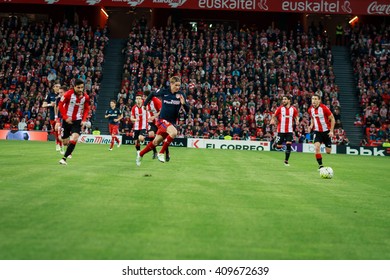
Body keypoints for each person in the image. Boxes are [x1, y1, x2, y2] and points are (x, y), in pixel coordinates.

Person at [136, 76, 189, 166]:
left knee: (155, 142)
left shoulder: (180, 95)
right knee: (174, 132)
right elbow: (152, 94)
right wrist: (145, 104)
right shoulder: (164, 92)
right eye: (176, 85)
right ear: (171, 84)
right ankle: (161, 153)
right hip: (162, 120)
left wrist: (184, 104)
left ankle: (140, 154)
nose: (178, 87)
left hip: (171, 122)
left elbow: (187, 110)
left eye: (179, 85)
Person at [58, 79, 91, 165]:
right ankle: (69, 145)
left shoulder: (86, 97)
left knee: (75, 138)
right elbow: (60, 105)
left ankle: (64, 159)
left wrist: (84, 119)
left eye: (82, 88)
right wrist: (65, 117)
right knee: (65, 142)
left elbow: (87, 108)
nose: (80, 90)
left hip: (77, 120)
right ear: (74, 87)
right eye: (78, 87)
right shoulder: (68, 94)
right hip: (66, 120)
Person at [308, 93, 335, 170]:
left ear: (319, 100)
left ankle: (327, 146)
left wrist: (331, 131)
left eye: (316, 99)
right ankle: (320, 166)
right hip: (317, 132)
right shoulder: (310, 109)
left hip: (326, 132)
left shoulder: (324, 108)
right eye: (313, 99)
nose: (314, 101)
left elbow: (332, 119)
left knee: (328, 151)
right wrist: (311, 125)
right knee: (316, 148)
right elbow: (312, 118)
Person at [270, 95, 299, 166]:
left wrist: (297, 120)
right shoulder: (280, 108)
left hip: (289, 130)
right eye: (283, 99)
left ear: (289, 100)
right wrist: (272, 120)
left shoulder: (293, 109)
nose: (283, 101)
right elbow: (274, 115)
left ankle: (286, 161)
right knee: (278, 147)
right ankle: (275, 142)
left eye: (285, 99)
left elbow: (296, 116)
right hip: (281, 130)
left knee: (288, 145)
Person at [143, 90, 170, 160]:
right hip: (153, 122)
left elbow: (162, 110)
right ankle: (154, 152)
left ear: (148, 97)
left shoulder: (156, 100)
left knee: (163, 138)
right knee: (151, 134)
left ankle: (167, 153)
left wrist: (154, 116)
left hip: (161, 121)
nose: (143, 99)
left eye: (144, 97)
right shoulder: (146, 103)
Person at [42, 81, 63, 152]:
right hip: (52, 115)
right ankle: (59, 144)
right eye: (56, 86)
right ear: (53, 87)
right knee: (55, 131)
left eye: (59, 87)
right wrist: (50, 105)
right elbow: (43, 105)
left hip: (60, 115)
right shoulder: (49, 95)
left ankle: (59, 144)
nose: (58, 88)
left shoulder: (62, 95)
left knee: (59, 129)